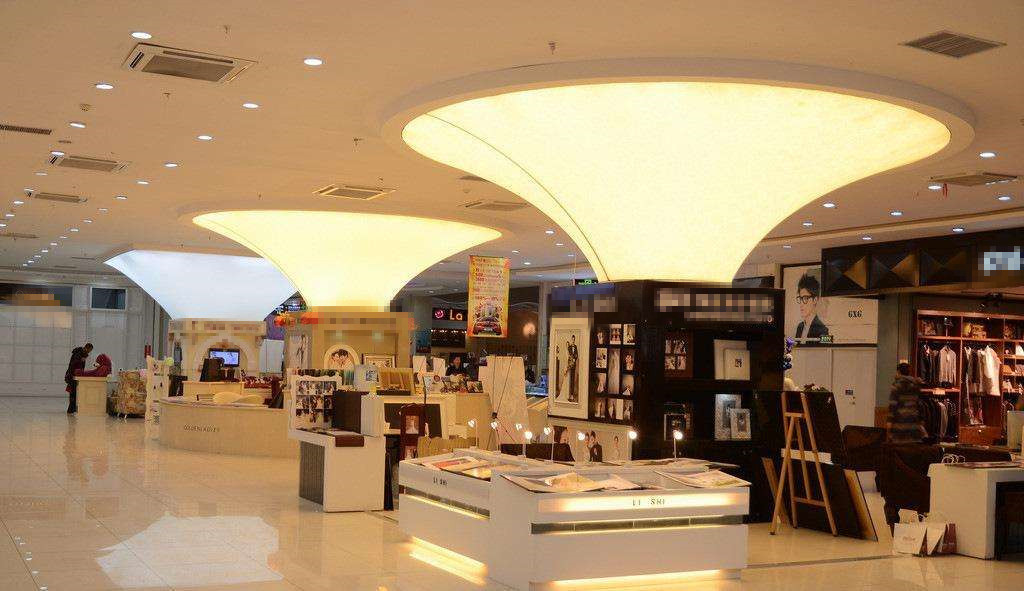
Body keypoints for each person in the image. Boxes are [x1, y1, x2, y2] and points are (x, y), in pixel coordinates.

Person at [887, 361, 925, 443]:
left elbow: (892, 406)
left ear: (898, 372)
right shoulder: (916, 385)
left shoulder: (896, 386)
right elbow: (920, 405)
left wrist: (889, 426)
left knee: (900, 450)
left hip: (899, 426)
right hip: (914, 426)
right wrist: (921, 422)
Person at [794, 273, 829, 340]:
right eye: (800, 298)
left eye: (805, 298)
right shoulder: (800, 327)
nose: (801, 304)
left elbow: (825, 347)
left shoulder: (823, 330)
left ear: (815, 300)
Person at [64, 343, 93, 414]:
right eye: (89, 350)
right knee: (73, 393)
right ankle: (71, 410)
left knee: (74, 393)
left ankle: (72, 409)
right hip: (73, 376)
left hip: (74, 375)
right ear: (86, 348)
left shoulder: (80, 353)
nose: (89, 352)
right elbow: (73, 365)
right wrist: (81, 360)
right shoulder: (79, 354)